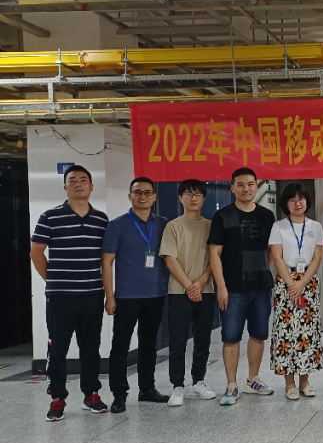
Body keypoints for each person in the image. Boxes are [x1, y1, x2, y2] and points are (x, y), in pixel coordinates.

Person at [31, 165, 110, 421]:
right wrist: (53, 279)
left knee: (91, 348)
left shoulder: (101, 220)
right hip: (60, 297)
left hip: (92, 295)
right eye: (72, 180)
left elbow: (105, 259)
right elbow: (36, 252)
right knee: (58, 349)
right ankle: (58, 398)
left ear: (91, 186)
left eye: (83, 180)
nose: (78, 184)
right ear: (65, 186)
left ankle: (91, 394)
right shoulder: (50, 216)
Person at [101, 177, 170, 413]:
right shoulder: (117, 225)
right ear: (130, 196)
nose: (143, 196)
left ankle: (147, 388)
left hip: (156, 294)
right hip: (126, 296)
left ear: (154, 197)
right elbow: (107, 262)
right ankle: (119, 394)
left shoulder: (163, 224)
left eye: (147, 192)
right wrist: (110, 296)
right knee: (120, 346)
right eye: (137, 192)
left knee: (149, 345)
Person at [208, 167, 276, 406]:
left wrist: (264, 269)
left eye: (250, 184)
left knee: (258, 334)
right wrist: (221, 286)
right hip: (233, 289)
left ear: (256, 186)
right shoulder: (223, 216)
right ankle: (231, 385)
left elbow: (272, 250)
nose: (246, 188)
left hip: (261, 287)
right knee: (231, 336)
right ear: (232, 188)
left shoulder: (267, 216)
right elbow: (214, 254)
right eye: (240, 184)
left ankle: (252, 379)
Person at [160, 179, 217, 407]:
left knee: (203, 339)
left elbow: (215, 259)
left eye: (198, 195)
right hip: (178, 292)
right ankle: (177, 385)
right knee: (178, 341)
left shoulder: (211, 226)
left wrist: (201, 282)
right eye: (188, 194)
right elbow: (170, 260)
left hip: (206, 291)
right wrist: (189, 286)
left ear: (203, 199)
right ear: (180, 198)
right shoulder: (173, 226)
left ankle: (199, 381)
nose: (193, 198)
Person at [268, 183, 323, 400]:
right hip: (285, 283)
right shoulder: (279, 226)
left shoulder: (315, 227)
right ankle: (289, 383)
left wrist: (301, 284)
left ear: (307, 202)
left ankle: (305, 381)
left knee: (306, 332)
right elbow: (277, 257)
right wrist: (292, 284)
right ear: (286, 204)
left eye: (301, 199)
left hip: (308, 284)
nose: (297, 203)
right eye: (292, 199)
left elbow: (317, 258)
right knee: (286, 332)